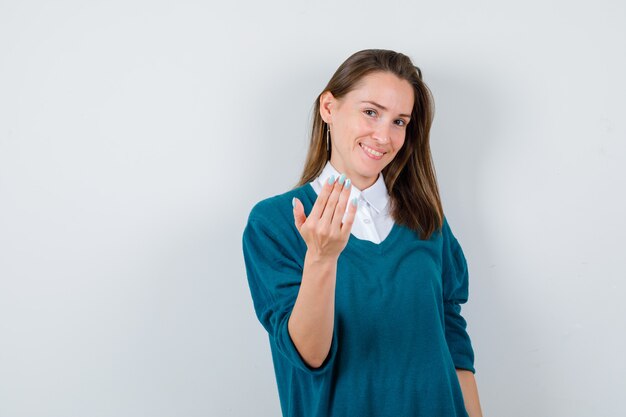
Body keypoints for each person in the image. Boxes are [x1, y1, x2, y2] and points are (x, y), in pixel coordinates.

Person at [242, 49, 483, 417]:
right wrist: (321, 258)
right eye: (370, 112)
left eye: (399, 122)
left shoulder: (425, 220)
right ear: (329, 108)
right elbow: (308, 356)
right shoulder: (274, 223)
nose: (383, 136)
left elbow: (452, 337)